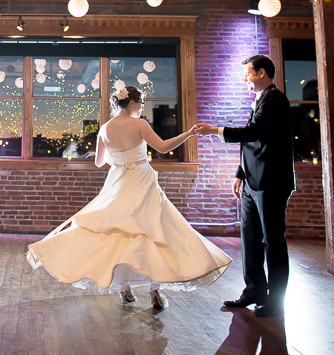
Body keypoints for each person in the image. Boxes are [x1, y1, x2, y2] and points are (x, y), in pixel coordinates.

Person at [26, 86, 232, 308]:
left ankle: (125, 289)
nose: (142, 108)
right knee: (151, 231)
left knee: (118, 234)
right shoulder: (140, 124)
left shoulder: (104, 128)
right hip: (141, 181)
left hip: (117, 182)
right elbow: (162, 147)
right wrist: (189, 134)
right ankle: (154, 291)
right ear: (132, 103)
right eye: (141, 104)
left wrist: (109, 154)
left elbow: (99, 163)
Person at [194, 55, 295, 318]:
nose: (245, 79)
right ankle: (253, 291)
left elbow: (254, 132)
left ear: (262, 73)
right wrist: (239, 173)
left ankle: (276, 300)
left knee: (273, 241)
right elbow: (252, 142)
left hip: (271, 182)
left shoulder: (275, 100)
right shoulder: (261, 100)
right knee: (249, 238)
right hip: (252, 181)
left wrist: (215, 131)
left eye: (248, 74)